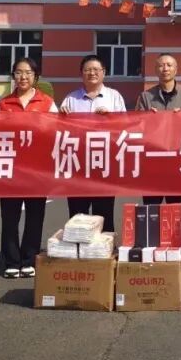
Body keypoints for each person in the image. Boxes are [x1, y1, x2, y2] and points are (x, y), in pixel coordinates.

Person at [0, 57, 58, 278]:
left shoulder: (47, 102)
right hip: (10, 167)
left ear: (36, 77)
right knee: (9, 216)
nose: (23, 77)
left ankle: (29, 259)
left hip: (37, 169)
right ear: (13, 76)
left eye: (28, 73)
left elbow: (57, 130)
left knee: (35, 215)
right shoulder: (3, 104)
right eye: (19, 72)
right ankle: (11, 261)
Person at [60, 54, 126, 232]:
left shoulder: (114, 97)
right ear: (81, 73)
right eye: (87, 70)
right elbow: (61, 131)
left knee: (104, 213)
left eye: (96, 69)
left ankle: (104, 247)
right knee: (77, 214)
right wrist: (61, 117)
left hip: (104, 165)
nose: (92, 73)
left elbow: (125, 127)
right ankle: (78, 247)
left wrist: (111, 118)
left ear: (104, 72)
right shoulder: (71, 99)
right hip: (78, 165)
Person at [137, 52, 181, 205]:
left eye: (169, 65)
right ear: (155, 70)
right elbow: (137, 126)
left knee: (175, 207)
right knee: (151, 207)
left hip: (177, 160)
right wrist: (148, 118)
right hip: (152, 161)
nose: (165, 69)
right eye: (161, 65)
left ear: (176, 69)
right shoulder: (145, 96)